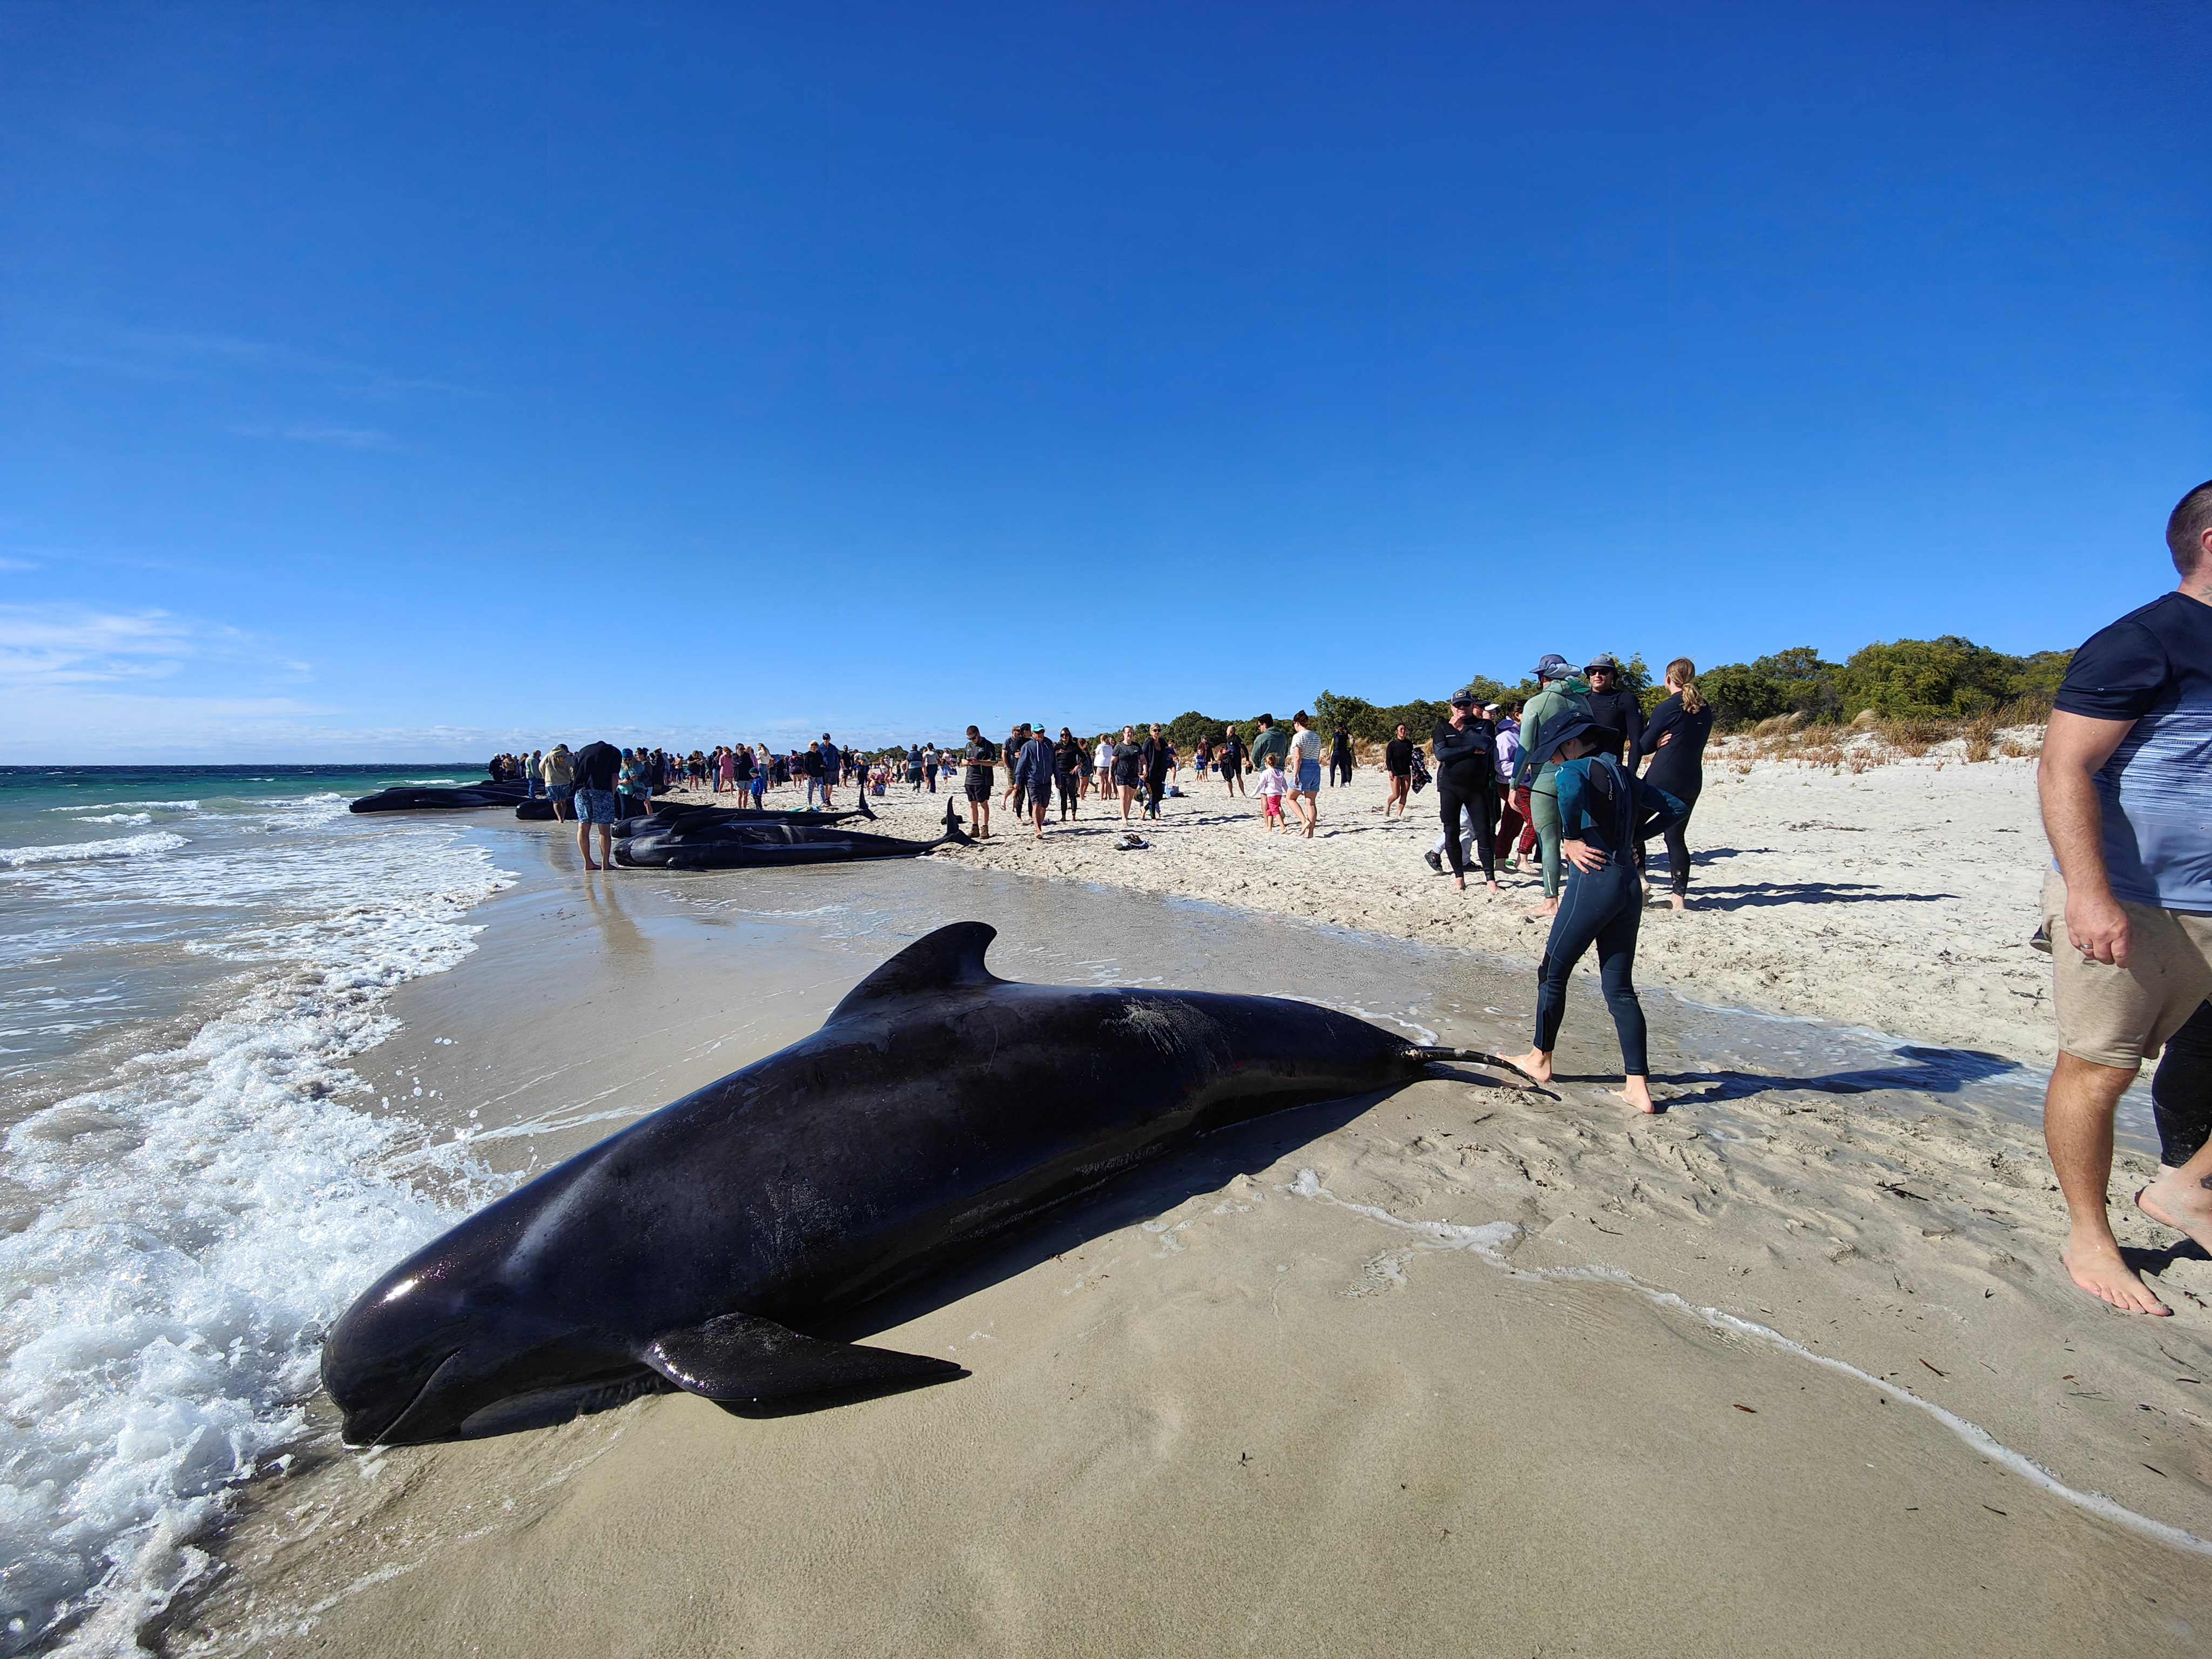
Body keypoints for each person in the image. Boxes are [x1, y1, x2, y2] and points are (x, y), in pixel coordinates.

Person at [2036, 480, 2212, 1316]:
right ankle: (2089, 1234)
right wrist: (2089, 894)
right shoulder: (2146, 639)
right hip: (2138, 901)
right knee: (2099, 1071)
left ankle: (2184, 1189)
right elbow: (2065, 765)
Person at [1506, 716, 1655, 1112]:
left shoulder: (1575, 768)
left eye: (1555, 747)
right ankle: (1638, 1088)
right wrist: (1635, 839)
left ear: (1572, 742)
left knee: (1552, 971)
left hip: (1595, 883)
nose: (1553, 757)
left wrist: (1571, 838)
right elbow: (1674, 807)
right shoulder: (1624, 774)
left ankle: (1539, 1061)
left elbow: (1568, 788)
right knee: (1620, 987)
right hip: (1628, 884)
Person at [1513, 656, 1593, 917]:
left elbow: (1524, 748)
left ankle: (1551, 902)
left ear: (1542, 678)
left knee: (1549, 842)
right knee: (1579, 837)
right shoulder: (1582, 701)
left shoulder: (1536, 703)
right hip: (1581, 774)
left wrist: (1515, 784)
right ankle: (1581, 896)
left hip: (1545, 776)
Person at [1635, 660, 1712, 910]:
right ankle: (1679, 898)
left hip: (1663, 776)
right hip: (1692, 778)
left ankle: (1641, 880)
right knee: (1676, 837)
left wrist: (1656, 742)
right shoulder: (1705, 708)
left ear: (1668, 678)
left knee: (1633, 826)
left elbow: (1644, 746)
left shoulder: (1667, 707)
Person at [1424, 690, 1500, 893]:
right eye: (1457, 705)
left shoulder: (1484, 725)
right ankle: (1459, 877)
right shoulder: (1443, 728)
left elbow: (1486, 745)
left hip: (1477, 788)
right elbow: (1442, 754)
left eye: (1466, 704)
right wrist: (1470, 750)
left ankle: (1490, 879)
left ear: (1472, 705)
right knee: (1452, 832)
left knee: (1484, 832)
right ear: (1452, 707)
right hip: (1450, 788)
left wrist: (1464, 730)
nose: (1461, 708)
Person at [1581, 656, 1647, 764]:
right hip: (1582, 767)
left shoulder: (1626, 699)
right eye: (1593, 672)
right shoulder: (1581, 700)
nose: (1598, 675)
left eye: (1604, 671)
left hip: (1612, 768)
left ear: (1613, 675)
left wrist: (1630, 774)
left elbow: (1636, 741)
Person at [571, 739, 624, 872]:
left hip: (581, 790)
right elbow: (614, 776)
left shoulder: (584, 750)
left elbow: (575, 771)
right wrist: (611, 795)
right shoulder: (614, 752)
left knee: (583, 826)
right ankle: (605, 864)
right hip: (602, 790)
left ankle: (588, 863)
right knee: (604, 828)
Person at [1491, 705, 1525, 867]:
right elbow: (1501, 765)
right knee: (1532, 819)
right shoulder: (1506, 736)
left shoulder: (1524, 732)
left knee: (1513, 820)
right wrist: (1525, 768)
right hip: (1508, 783)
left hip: (1523, 782)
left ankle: (1502, 859)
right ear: (1518, 715)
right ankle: (1522, 858)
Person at [1283, 713, 1324, 837]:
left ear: (1297, 723)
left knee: (1290, 798)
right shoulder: (1316, 736)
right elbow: (1317, 754)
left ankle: (1304, 821)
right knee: (1310, 802)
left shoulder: (1298, 737)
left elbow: (1297, 757)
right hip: (1315, 767)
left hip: (1304, 767)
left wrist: (1295, 775)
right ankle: (1311, 832)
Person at [1015, 725, 1056, 838]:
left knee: (1044, 806)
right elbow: (1021, 764)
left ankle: (1040, 826)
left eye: (1042, 732)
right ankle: (1038, 829)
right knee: (1036, 805)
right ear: (1033, 733)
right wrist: (1017, 781)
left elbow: (1054, 764)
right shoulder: (1028, 746)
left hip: (1046, 781)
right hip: (1032, 781)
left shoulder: (1048, 747)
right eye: (1038, 732)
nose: (1041, 735)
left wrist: (1058, 779)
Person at [960, 725, 999, 838]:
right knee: (972, 804)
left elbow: (993, 762)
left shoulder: (988, 745)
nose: (972, 741)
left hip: (983, 780)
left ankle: (985, 828)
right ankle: (974, 827)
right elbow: (962, 760)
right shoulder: (968, 746)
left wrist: (979, 762)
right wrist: (966, 762)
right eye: (970, 739)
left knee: (983, 804)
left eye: (973, 738)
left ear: (978, 734)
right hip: (970, 778)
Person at [1111, 726, 1144, 822]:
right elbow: (1113, 761)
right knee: (1123, 796)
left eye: (1131, 732)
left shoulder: (1137, 747)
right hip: (1121, 773)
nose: (1130, 734)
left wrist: (1144, 768)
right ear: (1124, 734)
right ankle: (1124, 818)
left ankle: (1126, 815)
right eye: (1128, 732)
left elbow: (1142, 759)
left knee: (1130, 797)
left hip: (1133, 775)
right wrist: (1110, 774)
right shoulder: (1119, 747)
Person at [1141, 724, 1173, 820]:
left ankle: (1144, 809)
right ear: (1151, 732)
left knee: (1159, 797)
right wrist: (1142, 771)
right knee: (1152, 795)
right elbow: (1142, 758)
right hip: (1148, 774)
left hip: (1159, 773)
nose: (1157, 732)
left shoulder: (1163, 743)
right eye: (1155, 730)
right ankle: (1153, 818)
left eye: (1159, 730)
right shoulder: (1148, 743)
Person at [1382, 723, 1413, 817]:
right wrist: (1390, 771)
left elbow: (1411, 758)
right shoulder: (1392, 744)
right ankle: (1388, 805)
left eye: (1405, 729)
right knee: (1396, 795)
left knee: (1404, 794)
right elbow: (1388, 759)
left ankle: (1398, 814)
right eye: (1401, 729)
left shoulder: (1409, 744)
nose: (1403, 731)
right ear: (1397, 732)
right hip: (1395, 771)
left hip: (1406, 771)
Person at [1054, 728, 1084, 820]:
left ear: (1069, 736)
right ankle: (1063, 816)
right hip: (1060, 773)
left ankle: (1073, 816)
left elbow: (1084, 757)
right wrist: (1056, 753)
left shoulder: (1073, 746)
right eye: (1062, 735)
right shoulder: (1057, 747)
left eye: (1066, 735)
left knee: (1072, 794)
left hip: (1071, 773)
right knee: (1063, 795)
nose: (1064, 737)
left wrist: (1078, 766)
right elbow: (1051, 758)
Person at [542, 743, 576, 822]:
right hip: (564, 782)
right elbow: (572, 767)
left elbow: (541, 767)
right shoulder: (566, 757)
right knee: (563, 802)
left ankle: (559, 818)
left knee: (556, 802)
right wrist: (573, 778)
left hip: (551, 782)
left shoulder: (548, 756)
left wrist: (544, 776)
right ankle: (563, 817)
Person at [1256, 754, 1289, 831]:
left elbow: (1261, 785)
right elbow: (1284, 784)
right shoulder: (1279, 772)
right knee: (1270, 811)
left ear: (1266, 763)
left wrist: (1253, 793)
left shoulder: (1266, 773)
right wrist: (1288, 792)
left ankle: (1283, 827)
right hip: (1279, 795)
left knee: (1275, 811)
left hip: (1271, 795)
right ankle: (1269, 828)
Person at [1219, 725, 1247, 797]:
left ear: (1231, 731)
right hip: (1230, 761)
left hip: (1237, 760)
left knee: (1239, 776)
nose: (1226, 732)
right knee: (1228, 777)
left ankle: (1243, 793)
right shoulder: (1228, 740)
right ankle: (1231, 794)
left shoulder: (1236, 738)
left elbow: (1244, 748)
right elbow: (1227, 750)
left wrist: (1247, 760)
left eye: (1227, 730)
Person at [1329, 723, 1354, 788]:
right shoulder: (1346, 735)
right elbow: (1348, 744)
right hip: (1344, 753)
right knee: (1343, 769)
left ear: (1337, 729)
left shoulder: (1335, 735)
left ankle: (1332, 784)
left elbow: (1331, 745)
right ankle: (1342, 783)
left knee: (1332, 768)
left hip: (1336, 753)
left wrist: (1329, 754)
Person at [818, 735, 840, 808]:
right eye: (824, 739)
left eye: (827, 739)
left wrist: (837, 767)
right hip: (825, 769)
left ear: (830, 739)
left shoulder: (833, 748)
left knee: (831, 784)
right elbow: (818, 757)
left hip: (833, 768)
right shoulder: (820, 747)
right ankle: (825, 799)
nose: (826, 740)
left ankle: (828, 798)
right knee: (826, 784)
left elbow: (837, 757)